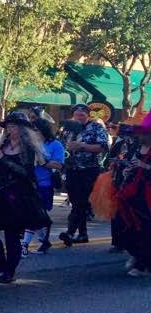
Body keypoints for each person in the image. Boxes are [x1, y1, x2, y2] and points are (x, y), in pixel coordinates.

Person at [0, 111, 47, 283]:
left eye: (14, 126)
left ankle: (10, 271)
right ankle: (1, 263)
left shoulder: (28, 148)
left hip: (19, 193)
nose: (10, 129)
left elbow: (26, 173)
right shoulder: (3, 144)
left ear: (22, 129)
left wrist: (4, 161)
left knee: (11, 234)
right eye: (8, 126)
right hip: (1, 191)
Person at [59, 103, 109, 246]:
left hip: (89, 169)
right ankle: (82, 234)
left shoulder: (96, 127)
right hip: (71, 169)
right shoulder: (68, 128)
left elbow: (103, 147)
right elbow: (62, 145)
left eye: (82, 115)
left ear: (88, 115)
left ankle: (70, 232)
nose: (79, 117)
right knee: (76, 202)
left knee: (81, 202)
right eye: (76, 115)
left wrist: (82, 146)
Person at [107, 115, 151, 276]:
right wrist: (126, 168)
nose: (140, 136)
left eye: (144, 133)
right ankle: (137, 255)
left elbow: (144, 167)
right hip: (132, 193)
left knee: (146, 229)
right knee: (128, 226)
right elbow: (130, 163)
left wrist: (144, 166)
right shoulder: (137, 147)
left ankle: (143, 264)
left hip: (147, 196)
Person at [22, 118, 64, 255]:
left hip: (44, 184)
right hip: (28, 182)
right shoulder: (28, 144)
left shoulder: (55, 145)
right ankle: (43, 240)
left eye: (35, 130)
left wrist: (43, 162)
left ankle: (24, 245)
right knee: (34, 214)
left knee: (33, 214)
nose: (32, 132)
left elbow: (59, 165)